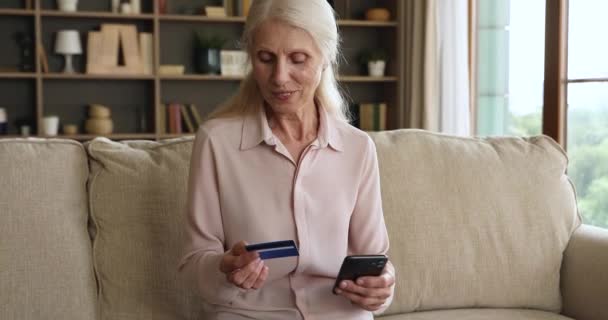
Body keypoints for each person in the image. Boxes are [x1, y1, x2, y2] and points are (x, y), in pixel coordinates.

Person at [178, 0, 395, 319]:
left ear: (325, 59)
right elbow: (193, 265)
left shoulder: (358, 149)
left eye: (298, 59)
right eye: (266, 59)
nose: (279, 77)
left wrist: (383, 288)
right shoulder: (217, 143)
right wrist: (223, 269)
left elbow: (376, 259)